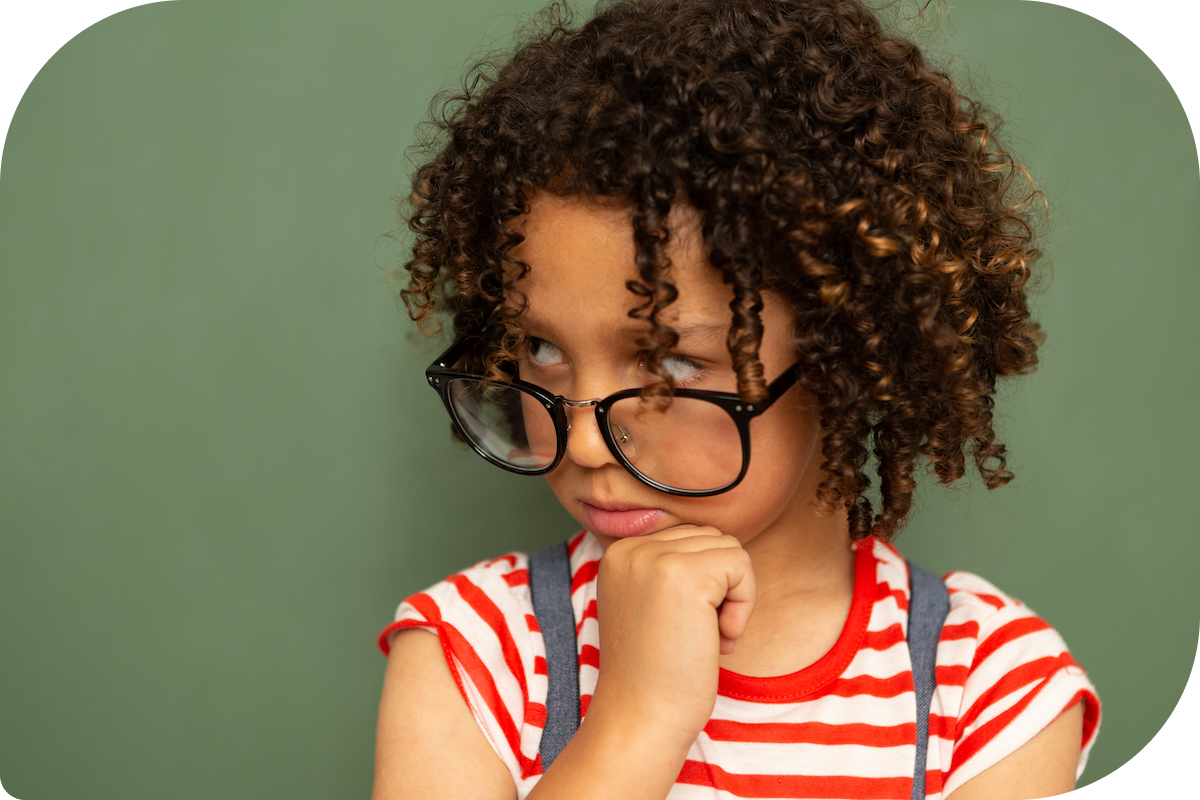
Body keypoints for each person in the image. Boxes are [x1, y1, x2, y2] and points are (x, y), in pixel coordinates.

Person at [371, 1, 1101, 797]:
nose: (581, 445)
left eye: (670, 364)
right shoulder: (474, 649)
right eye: (542, 350)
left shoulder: (991, 689)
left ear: (845, 356)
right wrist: (638, 719)